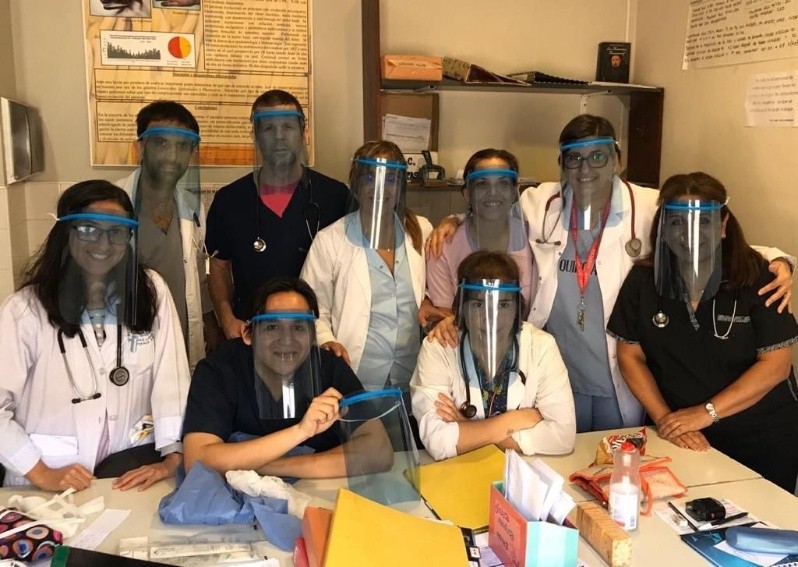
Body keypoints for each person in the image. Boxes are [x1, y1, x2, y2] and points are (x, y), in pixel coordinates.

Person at [427, 114, 794, 433]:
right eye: (574, 159)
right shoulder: (540, 202)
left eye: (598, 157)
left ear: (618, 160)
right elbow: (492, 209)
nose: (586, 170)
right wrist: (452, 220)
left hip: (619, 374)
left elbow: (701, 238)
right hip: (560, 371)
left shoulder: (648, 205)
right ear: (561, 165)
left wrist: (777, 260)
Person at [607, 172, 798, 492]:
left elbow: (776, 365)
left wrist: (705, 413)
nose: (690, 233)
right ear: (663, 228)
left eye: (704, 222)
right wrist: (667, 420)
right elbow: (630, 355)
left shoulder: (759, 278)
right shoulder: (643, 281)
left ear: (723, 225)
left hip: (762, 437)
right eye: (677, 222)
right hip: (683, 437)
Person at [0, 180, 189, 491]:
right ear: (66, 232)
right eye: (89, 229)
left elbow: (172, 380)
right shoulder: (24, 310)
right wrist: (41, 473)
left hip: (129, 470)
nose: (103, 244)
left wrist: (172, 457)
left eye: (116, 232)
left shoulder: (149, 291)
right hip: (47, 479)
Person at [182, 277, 392, 478]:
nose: (287, 340)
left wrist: (262, 466)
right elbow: (197, 461)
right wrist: (301, 431)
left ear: (313, 335)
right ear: (247, 333)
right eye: (272, 327)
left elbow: (379, 451)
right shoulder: (219, 370)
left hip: (318, 494)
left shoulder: (330, 367)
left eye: (298, 327)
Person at [206, 90, 350, 339]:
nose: (279, 136)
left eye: (288, 127)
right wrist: (227, 320)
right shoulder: (229, 200)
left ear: (304, 132)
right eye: (269, 128)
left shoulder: (335, 197)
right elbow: (218, 266)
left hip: (316, 336)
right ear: (255, 136)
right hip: (250, 336)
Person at [411, 251, 575, 461]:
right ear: (462, 308)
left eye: (503, 305)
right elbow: (437, 441)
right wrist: (513, 421)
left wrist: (468, 429)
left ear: (517, 308)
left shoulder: (541, 346)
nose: (491, 318)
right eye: (478, 305)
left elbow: (563, 436)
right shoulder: (439, 348)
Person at [300, 141, 431, 399]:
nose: (380, 187)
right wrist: (326, 340)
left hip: (413, 381)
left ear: (401, 188)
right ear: (355, 184)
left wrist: (453, 221)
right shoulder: (330, 241)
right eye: (370, 177)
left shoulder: (422, 231)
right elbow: (310, 308)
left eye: (391, 179)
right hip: (356, 379)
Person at [118, 100, 221, 368]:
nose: (172, 156)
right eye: (161, 143)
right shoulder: (114, 203)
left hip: (181, 341)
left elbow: (197, 272)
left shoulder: (192, 206)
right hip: (128, 338)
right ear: (141, 147)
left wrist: (210, 324)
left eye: (182, 146)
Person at [420, 149, 535, 328]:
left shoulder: (535, 238)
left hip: (528, 340)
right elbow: (446, 319)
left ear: (514, 191)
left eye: (503, 183)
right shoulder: (443, 247)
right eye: (482, 184)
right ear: (467, 193)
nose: (493, 192)